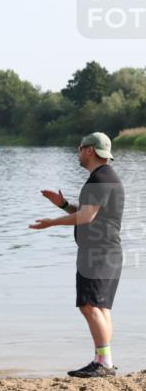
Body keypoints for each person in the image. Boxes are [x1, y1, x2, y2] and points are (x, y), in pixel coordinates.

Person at [29, 132, 125, 378]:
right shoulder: (106, 177)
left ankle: (104, 363)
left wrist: (51, 222)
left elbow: (85, 217)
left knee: (89, 305)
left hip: (97, 252)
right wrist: (63, 205)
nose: (78, 152)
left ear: (90, 150)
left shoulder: (99, 179)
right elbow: (88, 212)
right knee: (100, 307)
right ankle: (103, 360)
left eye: (80, 148)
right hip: (107, 250)